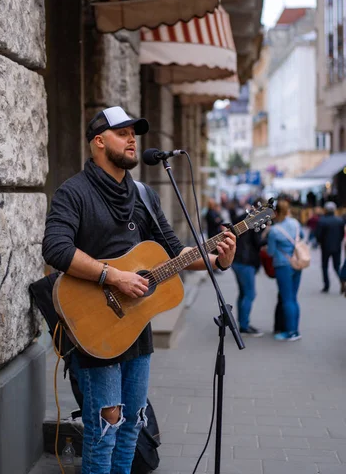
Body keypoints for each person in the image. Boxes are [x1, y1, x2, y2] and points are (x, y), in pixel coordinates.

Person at [42, 106, 236, 474]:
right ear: (99, 142)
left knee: (131, 424)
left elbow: (176, 253)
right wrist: (113, 277)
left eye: (135, 132)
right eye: (122, 132)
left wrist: (218, 260)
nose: (132, 139)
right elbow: (55, 248)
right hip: (96, 327)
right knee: (104, 431)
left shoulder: (145, 195)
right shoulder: (74, 193)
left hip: (135, 327)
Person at [267, 198, 303, 341]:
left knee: (287, 299)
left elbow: (270, 252)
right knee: (293, 298)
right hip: (297, 262)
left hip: (283, 265)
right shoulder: (295, 223)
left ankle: (291, 332)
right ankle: (295, 330)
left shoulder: (275, 230)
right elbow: (302, 237)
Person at [230, 206, 267, 337]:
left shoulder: (242, 219)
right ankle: (244, 326)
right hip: (246, 262)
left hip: (237, 260)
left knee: (243, 293)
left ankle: (242, 324)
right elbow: (258, 243)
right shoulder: (254, 222)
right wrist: (267, 234)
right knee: (250, 294)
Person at [315, 201, 345, 293]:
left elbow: (318, 235)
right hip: (336, 246)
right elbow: (341, 234)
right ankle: (342, 280)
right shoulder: (339, 220)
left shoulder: (322, 220)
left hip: (325, 246)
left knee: (325, 266)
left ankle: (326, 285)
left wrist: (320, 242)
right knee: (337, 266)